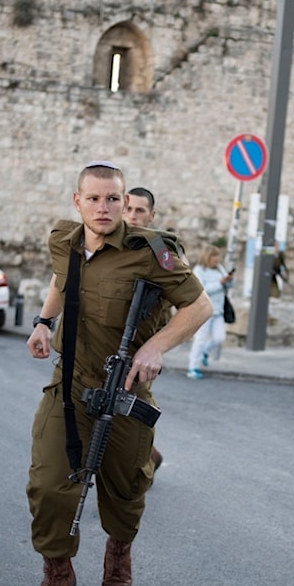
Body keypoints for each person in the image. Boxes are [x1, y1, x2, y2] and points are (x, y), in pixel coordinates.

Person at [24, 161, 210, 586]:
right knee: (48, 485)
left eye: (113, 199)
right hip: (68, 385)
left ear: (124, 201)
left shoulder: (150, 252)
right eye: (94, 199)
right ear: (78, 201)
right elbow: (61, 283)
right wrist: (44, 323)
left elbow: (199, 306)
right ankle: (57, 574)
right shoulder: (63, 241)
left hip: (125, 389)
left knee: (126, 488)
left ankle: (118, 553)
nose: (104, 208)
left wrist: (155, 347)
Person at [123, 186, 170, 472]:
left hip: (143, 345)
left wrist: (158, 346)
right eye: (127, 209)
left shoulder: (162, 250)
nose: (132, 216)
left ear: (151, 215)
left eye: (140, 211)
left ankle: (145, 466)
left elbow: (186, 296)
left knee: (136, 408)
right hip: (108, 341)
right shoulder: (108, 242)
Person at [187, 245, 233, 379]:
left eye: (217, 256)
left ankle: (205, 352)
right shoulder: (199, 270)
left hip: (218, 310)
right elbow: (202, 290)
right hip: (204, 311)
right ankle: (192, 367)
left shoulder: (220, 269)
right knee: (200, 339)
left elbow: (228, 286)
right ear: (207, 256)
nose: (216, 259)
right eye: (214, 256)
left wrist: (229, 280)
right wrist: (220, 283)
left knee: (219, 337)